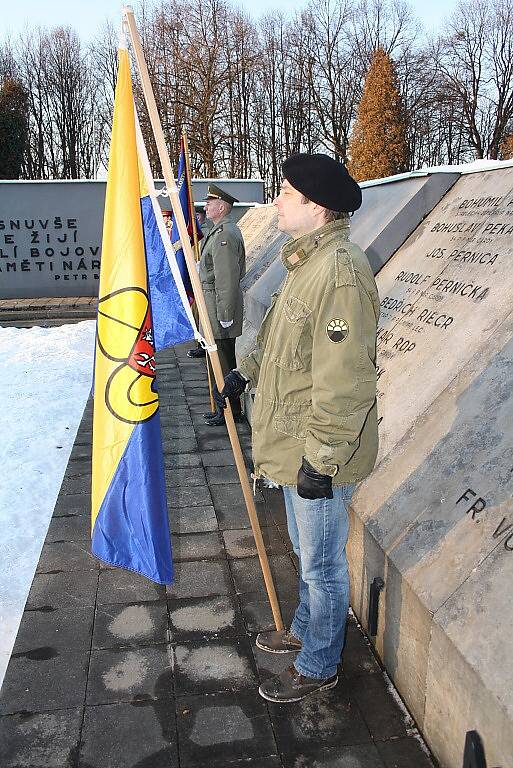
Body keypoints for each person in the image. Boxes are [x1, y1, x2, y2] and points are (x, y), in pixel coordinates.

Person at [214, 153, 380, 703]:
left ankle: (319, 664)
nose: (278, 201)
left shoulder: (340, 271)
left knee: (324, 565)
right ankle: (305, 633)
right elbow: (281, 342)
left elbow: (345, 379)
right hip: (292, 444)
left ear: (317, 207)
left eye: (287, 193)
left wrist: (323, 458)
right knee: (309, 557)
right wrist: (244, 371)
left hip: (317, 452)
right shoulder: (306, 264)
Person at [187, 183, 246, 427]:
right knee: (218, 363)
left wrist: (225, 313)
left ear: (221, 207)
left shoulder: (225, 235)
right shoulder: (218, 231)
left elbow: (227, 279)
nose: (206, 207)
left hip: (220, 308)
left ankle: (231, 413)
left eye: (210, 203)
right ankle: (225, 410)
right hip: (213, 304)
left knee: (223, 363)